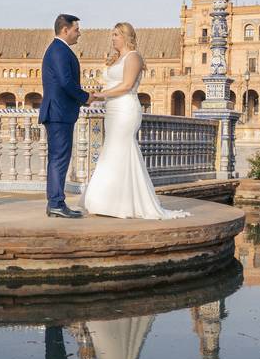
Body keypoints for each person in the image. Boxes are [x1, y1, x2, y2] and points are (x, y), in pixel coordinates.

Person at [80, 23, 189, 219]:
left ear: (126, 37)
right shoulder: (117, 58)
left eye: (116, 35)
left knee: (120, 149)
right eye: (112, 34)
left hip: (125, 109)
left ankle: (118, 203)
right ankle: (109, 200)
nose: (112, 38)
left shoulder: (134, 57)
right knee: (112, 151)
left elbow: (127, 85)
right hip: (112, 110)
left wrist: (98, 95)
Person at [39, 14, 96, 218]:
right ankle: (55, 202)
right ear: (65, 30)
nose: (79, 33)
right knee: (59, 159)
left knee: (58, 158)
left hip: (58, 112)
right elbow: (65, 82)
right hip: (59, 113)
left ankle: (55, 202)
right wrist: (85, 97)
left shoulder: (57, 50)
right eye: (76, 29)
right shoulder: (60, 51)